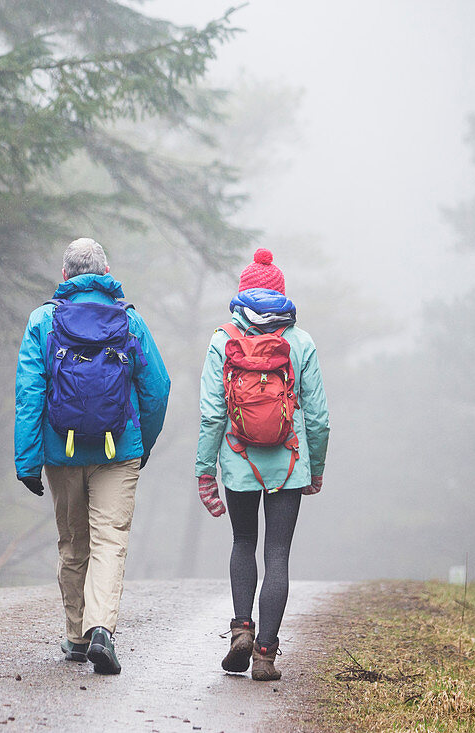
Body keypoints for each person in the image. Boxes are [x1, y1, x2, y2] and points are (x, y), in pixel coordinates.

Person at [14, 237, 170, 675]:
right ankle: (102, 628)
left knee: (73, 543)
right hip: (117, 451)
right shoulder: (129, 321)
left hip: (60, 453)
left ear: (64, 276)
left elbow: (30, 394)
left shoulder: (43, 321)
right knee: (110, 540)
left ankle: (76, 634)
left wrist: (27, 460)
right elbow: (157, 389)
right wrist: (143, 443)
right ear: (105, 274)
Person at [195, 248, 330, 681]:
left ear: (242, 294)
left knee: (242, 543)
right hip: (290, 464)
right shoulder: (300, 341)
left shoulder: (223, 340)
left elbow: (213, 414)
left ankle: (241, 628)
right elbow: (320, 416)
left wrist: (205, 470)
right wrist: (317, 467)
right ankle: (266, 654)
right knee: (278, 554)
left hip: (237, 463)